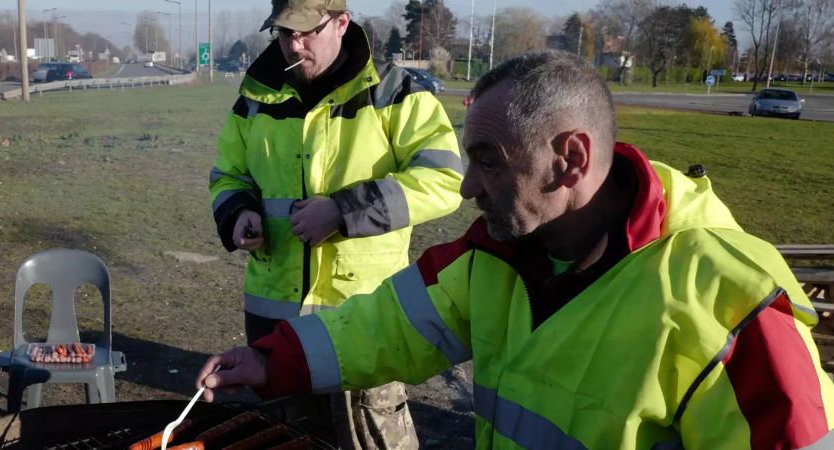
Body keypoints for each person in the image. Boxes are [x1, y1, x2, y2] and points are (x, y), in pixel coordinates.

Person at [200, 51, 834, 449]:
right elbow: (386, 326)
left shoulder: (731, 306)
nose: (469, 186)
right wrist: (269, 360)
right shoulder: (496, 255)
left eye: (488, 163)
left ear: (571, 160)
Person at [208, 0, 463, 447]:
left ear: (342, 23)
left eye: (306, 31)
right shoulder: (255, 96)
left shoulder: (396, 93)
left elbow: (445, 179)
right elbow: (228, 173)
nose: (294, 44)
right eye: (284, 32)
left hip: (365, 323)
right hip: (274, 324)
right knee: (284, 440)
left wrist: (345, 211)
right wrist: (238, 212)